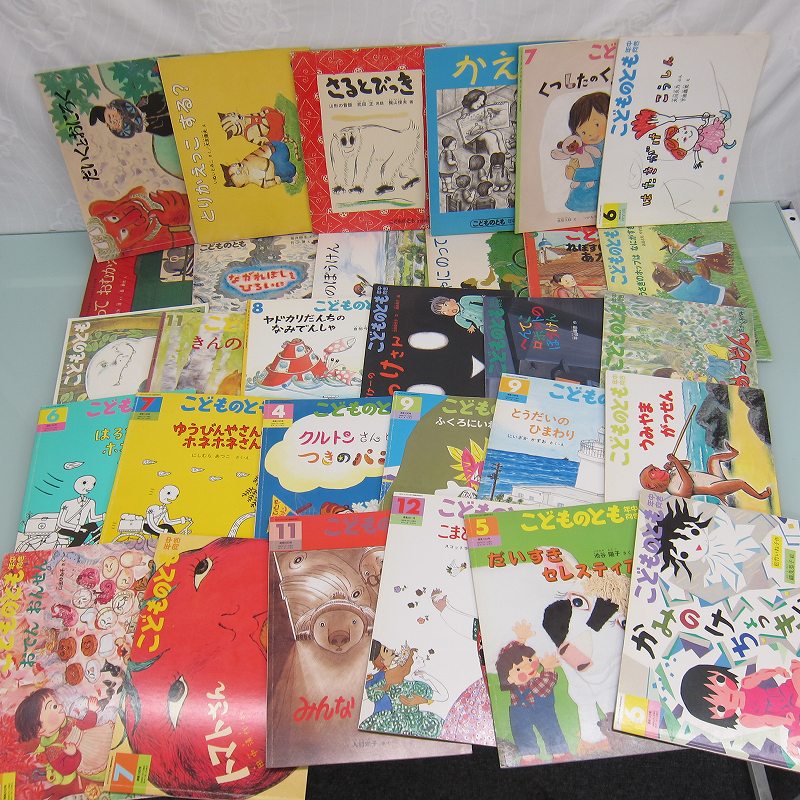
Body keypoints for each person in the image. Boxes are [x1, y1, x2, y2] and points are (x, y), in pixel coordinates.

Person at [680, 662, 800, 754]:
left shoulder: (746, 683)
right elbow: (766, 720)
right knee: (795, 735)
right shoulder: (745, 719)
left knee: (797, 680)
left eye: (720, 681)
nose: (726, 695)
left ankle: (796, 669)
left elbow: (761, 675)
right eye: (720, 708)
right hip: (786, 714)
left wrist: (776, 671)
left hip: (785, 694)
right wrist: (785, 720)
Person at [496, 624, 569, 765]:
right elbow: (506, 657)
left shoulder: (535, 680)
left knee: (551, 729)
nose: (527, 667)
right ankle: (529, 758)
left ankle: (559, 754)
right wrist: (548, 669)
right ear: (509, 679)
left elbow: (511, 654)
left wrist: (521, 640)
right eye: (518, 670)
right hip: (520, 713)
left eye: (530, 660)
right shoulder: (529, 684)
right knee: (522, 734)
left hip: (542, 710)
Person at [14, 689, 113, 786]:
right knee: (110, 769)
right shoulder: (52, 749)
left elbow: (85, 724)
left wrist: (91, 711)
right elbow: (65, 770)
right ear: (40, 730)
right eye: (54, 707)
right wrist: (72, 754)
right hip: (89, 760)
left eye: (56, 704)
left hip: (96, 738)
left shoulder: (68, 721)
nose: (60, 707)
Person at [639, 441, 772, 503]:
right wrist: (676, 463)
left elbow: (687, 464)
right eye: (653, 473)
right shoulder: (673, 490)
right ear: (652, 485)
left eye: (655, 468)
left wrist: (674, 463)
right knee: (740, 483)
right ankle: (760, 496)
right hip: (714, 487)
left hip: (714, 477)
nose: (657, 470)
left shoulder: (673, 473)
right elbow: (688, 484)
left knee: (713, 459)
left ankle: (734, 453)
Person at [563, 92, 609, 213]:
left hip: (596, 203)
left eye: (596, 124)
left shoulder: (606, 148)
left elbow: (602, 172)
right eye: (583, 131)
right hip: (576, 200)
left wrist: (575, 174)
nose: (590, 134)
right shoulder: (579, 146)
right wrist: (571, 168)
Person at [89, 92, 172, 138]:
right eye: (111, 121)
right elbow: (130, 132)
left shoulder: (121, 106)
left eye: (110, 115)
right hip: (151, 125)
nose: (113, 118)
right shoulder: (121, 129)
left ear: (112, 108)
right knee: (166, 129)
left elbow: (132, 109)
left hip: (148, 108)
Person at [55, 475, 104, 546]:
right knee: (83, 533)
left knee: (92, 525)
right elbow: (61, 523)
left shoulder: (91, 502)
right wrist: (78, 528)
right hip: (66, 529)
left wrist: (103, 516)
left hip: (81, 529)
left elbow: (92, 519)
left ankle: (99, 543)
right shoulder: (67, 503)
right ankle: (71, 548)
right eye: (84, 483)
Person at [459, 89, 506, 156]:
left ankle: (504, 152)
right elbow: (465, 125)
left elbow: (486, 116)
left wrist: (490, 115)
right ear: (472, 99)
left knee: (498, 133)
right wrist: (464, 118)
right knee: (490, 137)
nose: (481, 103)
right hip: (474, 134)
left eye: (482, 101)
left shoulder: (481, 108)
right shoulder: (466, 110)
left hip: (482, 128)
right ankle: (495, 157)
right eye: (479, 101)